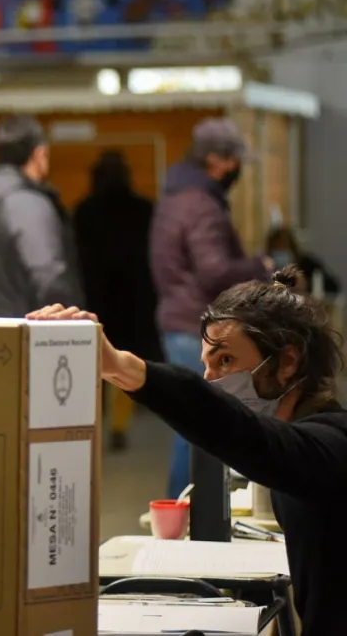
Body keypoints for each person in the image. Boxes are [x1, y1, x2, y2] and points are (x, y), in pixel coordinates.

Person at [27, 268, 347, 635]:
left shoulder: (332, 445)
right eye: (206, 364)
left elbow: (252, 437)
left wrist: (124, 367)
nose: (211, 379)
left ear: (287, 362)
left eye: (225, 361)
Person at [149, 117, 272, 499]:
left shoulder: (175, 197)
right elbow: (214, 270)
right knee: (198, 430)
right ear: (216, 162)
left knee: (189, 426)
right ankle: (186, 517)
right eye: (234, 161)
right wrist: (260, 268)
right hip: (196, 327)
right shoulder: (201, 204)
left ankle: (180, 516)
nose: (236, 170)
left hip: (177, 320)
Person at [73, 150, 162, 451]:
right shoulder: (144, 210)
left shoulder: (84, 211)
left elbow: (77, 259)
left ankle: (92, 422)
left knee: (91, 360)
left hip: (94, 297)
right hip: (133, 299)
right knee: (123, 358)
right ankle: (119, 425)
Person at [0, 114, 82, 316]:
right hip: (29, 335)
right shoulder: (27, 203)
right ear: (39, 153)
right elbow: (49, 276)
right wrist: (70, 325)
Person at [265, 226, 340, 297]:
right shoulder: (266, 269)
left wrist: (307, 284)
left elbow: (333, 286)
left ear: (292, 248)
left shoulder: (308, 264)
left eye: (283, 247)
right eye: (276, 248)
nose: (280, 252)